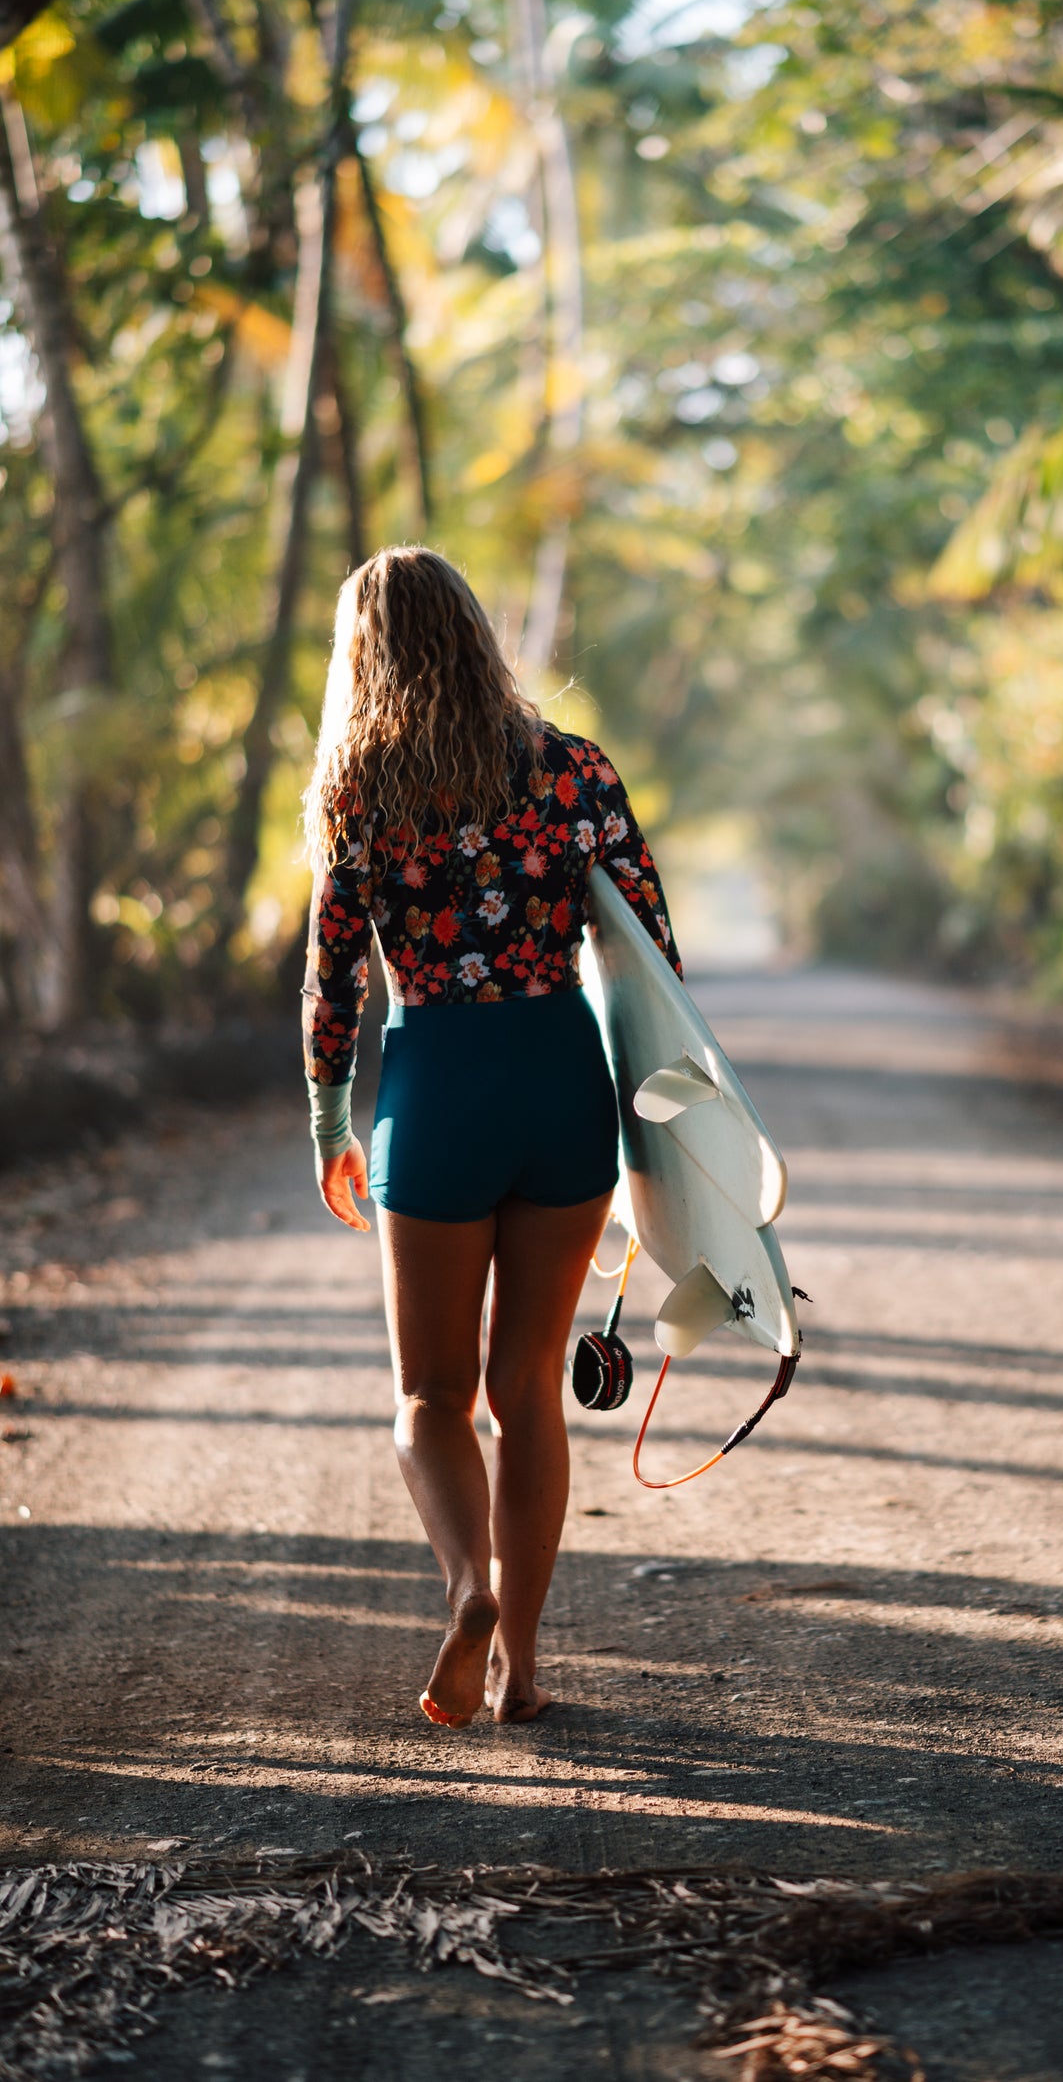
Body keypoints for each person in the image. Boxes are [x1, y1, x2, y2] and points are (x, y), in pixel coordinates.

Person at [300, 546, 681, 1726]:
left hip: (440, 1085)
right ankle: (521, 1663)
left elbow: (331, 985)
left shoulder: (359, 784)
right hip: (561, 1077)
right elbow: (652, 957)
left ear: (362, 651)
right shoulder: (572, 769)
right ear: (473, 631)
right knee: (529, 1391)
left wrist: (329, 1121)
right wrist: (654, 1127)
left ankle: (466, 1585)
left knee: (427, 1395)